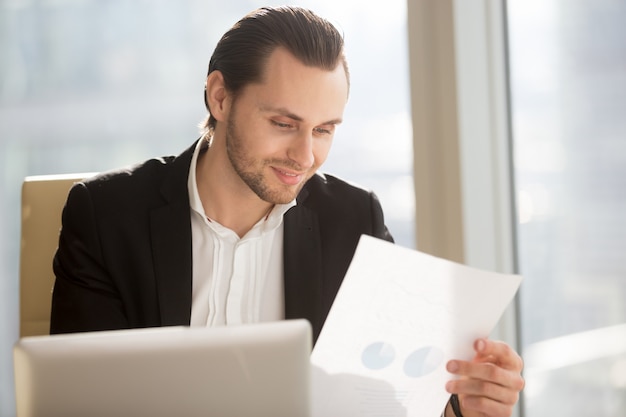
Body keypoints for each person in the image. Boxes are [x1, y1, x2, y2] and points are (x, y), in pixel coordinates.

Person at [49, 5, 524, 417]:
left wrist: (459, 404)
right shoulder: (106, 217)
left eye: (324, 130)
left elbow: (385, 400)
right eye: (283, 123)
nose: (304, 157)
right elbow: (79, 402)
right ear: (219, 97)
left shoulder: (355, 222)